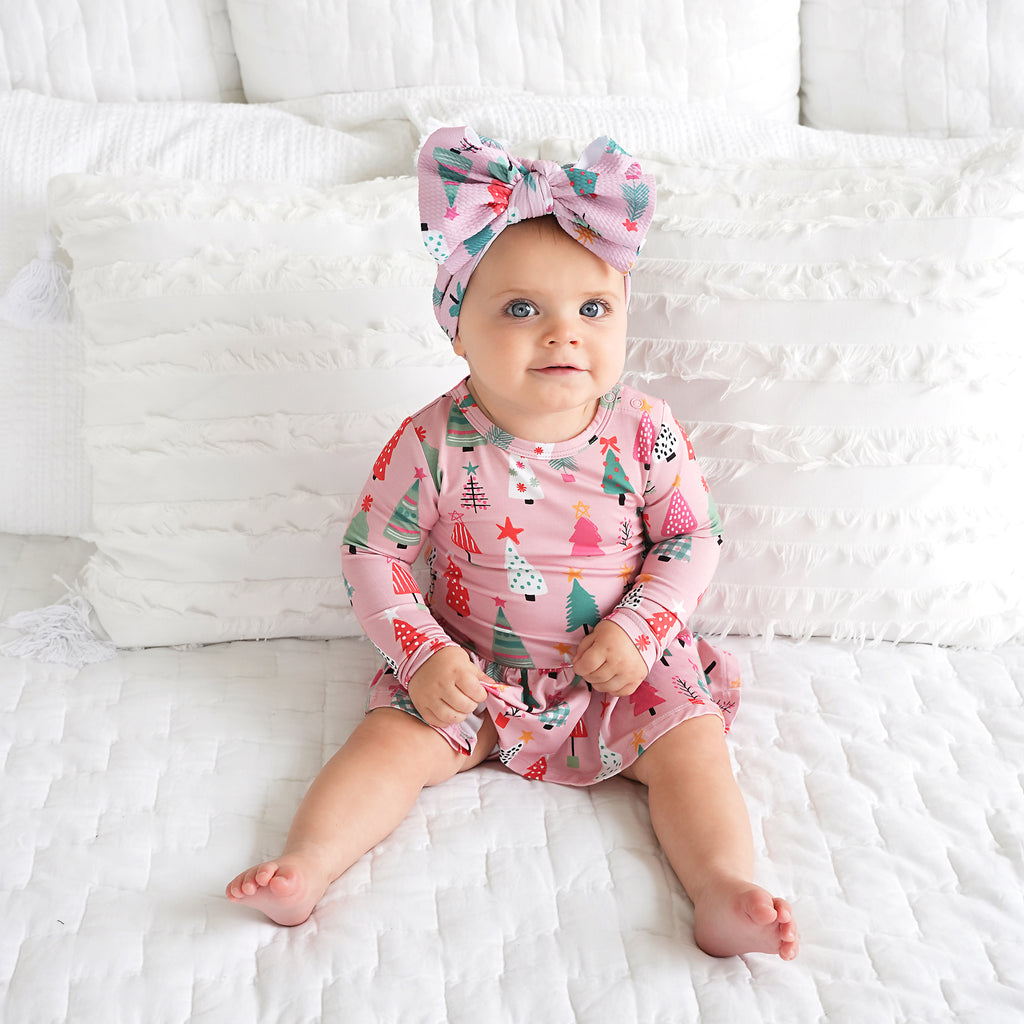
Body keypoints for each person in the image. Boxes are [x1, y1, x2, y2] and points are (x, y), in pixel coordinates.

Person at [226, 126, 799, 960]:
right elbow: (373, 552)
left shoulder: (645, 430)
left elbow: (690, 537)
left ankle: (721, 888)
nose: (564, 333)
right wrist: (422, 654)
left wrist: (639, 629)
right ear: (457, 328)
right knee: (387, 747)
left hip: (624, 672)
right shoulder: (431, 440)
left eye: (593, 309)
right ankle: (306, 864)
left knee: (693, 750)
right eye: (522, 309)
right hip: (470, 670)